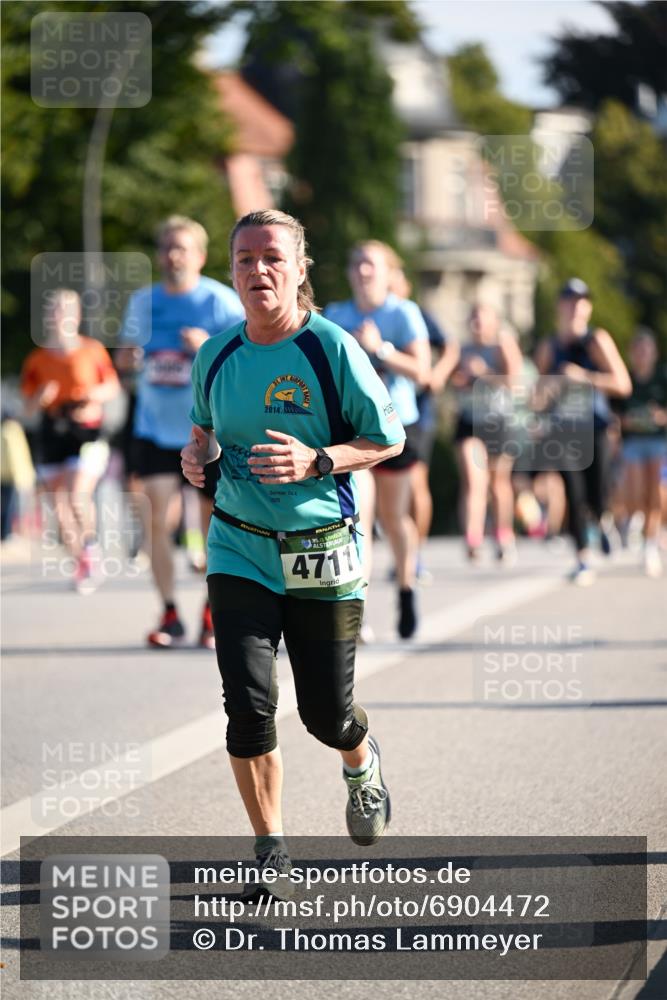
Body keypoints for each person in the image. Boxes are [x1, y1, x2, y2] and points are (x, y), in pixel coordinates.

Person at [181, 210, 405, 890]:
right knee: (247, 708)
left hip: (319, 548)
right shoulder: (215, 354)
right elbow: (202, 437)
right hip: (238, 546)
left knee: (323, 715)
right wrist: (196, 461)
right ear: (232, 271)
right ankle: (269, 846)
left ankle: (361, 764)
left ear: (300, 268)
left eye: (272, 257)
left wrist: (317, 460)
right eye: (245, 259)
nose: (258, 270)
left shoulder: (330, 349)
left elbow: (386, 439)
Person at [118, 216, 244, 647]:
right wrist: (130, 361)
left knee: (214, 527)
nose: (173, 256)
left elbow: (245, 361)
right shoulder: (142, 302)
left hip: (209, 431)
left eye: (182, 248)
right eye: (167, 247)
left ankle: (211, 612)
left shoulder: (220, 303)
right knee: (155, 517)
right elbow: (123, 362)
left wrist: (206, 346)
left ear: (200, 256)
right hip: (154, 427)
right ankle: (169, 612)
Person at [324, 241, 430, 638]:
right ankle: (358, 612)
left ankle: (406, 588)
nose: (362, 270)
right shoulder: (336, 314)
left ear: (387, 272)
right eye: (356, 263)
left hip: (397, 429)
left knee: (393, 517)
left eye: (370, 264)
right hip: (353, 432)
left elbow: (424, 372)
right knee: (358, 521)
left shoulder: (403, 313)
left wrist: (379, 348)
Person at [20, 289, 119, 591]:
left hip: (85, 432)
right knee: (59, 507)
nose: (60, 315)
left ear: (76, 316)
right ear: (48, 316)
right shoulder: (37, 359)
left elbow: (111, 386)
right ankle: (83, 561)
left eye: (67, 309)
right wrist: (40, 398)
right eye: (55, 309)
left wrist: (92, 396)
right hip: (53, 431)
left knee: (77, 496)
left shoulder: (92, 350)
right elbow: (27, 408)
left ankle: (90, 545)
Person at [535, 278, 631, 585]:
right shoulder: (550, 346)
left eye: (582, 301)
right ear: (560, 306)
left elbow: (622, 384)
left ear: (588, 307)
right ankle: (583, 558)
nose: (576, 306)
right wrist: (552, 386)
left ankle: (603, 520)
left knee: (597, 492)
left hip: (596, 427)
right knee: (573, 493)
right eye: (570, 300)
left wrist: (584, 377)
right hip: (564, 430)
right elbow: (535, 396)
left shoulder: (597, 341)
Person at [389, 264, 460, 578]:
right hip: (383, 412)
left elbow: (450, 346)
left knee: (416, 481)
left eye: (395, 282)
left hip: (419, 411)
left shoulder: (414, 313)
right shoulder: (365, 315)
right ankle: (402, 551)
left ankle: (415, 553)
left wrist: (438, 375)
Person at [451, 303, 523, 563]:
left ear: (493, 321)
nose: (477, 324)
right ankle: (473, 537)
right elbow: (451, 380)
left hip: (498, 420)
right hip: (469, 419)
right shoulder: (462, 348)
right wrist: (462, 378)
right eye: (473, 319)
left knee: (498, 483)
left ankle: (503, 534)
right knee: (473, 480)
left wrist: (484, 374)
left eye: (482, 319)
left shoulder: (502, 344)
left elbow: (515, 381)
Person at [617, 329, 667, 577]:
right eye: (638, 350)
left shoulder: (663, 377)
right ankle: (634, 520)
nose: (642, 354)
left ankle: (650, 544)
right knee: (637, 494)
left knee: (657, 492)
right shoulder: (626, 380)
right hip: (634, 443)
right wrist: (625, 421)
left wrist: (660, 417)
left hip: (659, 442)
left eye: (647, 349)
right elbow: (615, 415)